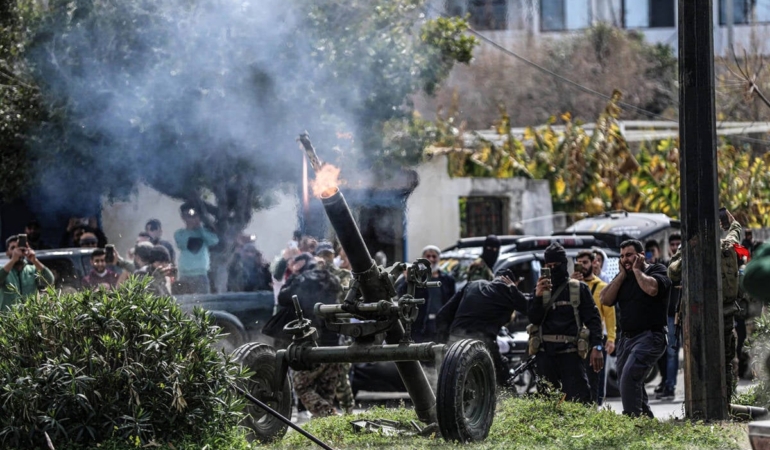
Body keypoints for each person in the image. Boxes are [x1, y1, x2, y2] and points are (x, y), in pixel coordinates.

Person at [668, 209, 742, 398]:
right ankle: (726, 398)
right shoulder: (728, 245)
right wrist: (732, 223)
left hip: (700, 316)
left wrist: (686, 250)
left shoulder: (691, 250)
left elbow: (673, 273)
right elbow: (736, 231)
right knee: (725, 358)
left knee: (702, 360)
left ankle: (710, 400)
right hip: (725, 312)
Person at [601, 239, 671, 417]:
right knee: (631, 381)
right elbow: (605, 300)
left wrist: (637, 270)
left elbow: (652, 289)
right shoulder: (623, 277)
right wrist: (623, 276)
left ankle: (632, 421)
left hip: (651, 336)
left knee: (629, 378)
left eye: (629, 255)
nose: (625, 259)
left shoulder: (657, 270)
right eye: (622, 256)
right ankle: (645, 420)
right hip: (627, 339)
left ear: (640, 255)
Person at [528, 243, 604, 404]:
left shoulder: (578, 289)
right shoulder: (540, 289)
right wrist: (537, 297)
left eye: (556, 265)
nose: (553, 269)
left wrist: (597, 347)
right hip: (545, 355)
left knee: (579, 403)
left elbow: (594, 320)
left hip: (571, 355)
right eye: (549, 266)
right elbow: (533, 318)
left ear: (564, 264)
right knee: (547, 407)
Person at [436, 268, 528, 387]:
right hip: (483, 343)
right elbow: (529, 309)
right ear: (513, 282)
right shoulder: (509, 292)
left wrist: (444, 341)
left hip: (455, 341)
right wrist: (514, 290)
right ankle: (508, 401)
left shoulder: (472, 285)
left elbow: (442, 315)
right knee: (503, 379)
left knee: (452, 382)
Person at [278, 253, 343, 417]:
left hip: (310, 342)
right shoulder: (333, 281)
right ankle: (326, 426)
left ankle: (328, 415)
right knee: (326, 390)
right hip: (334, 342)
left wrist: (293, 276)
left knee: (301, 386)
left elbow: (283, 297)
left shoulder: (303, 280)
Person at [314, 241, 354, 414]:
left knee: (340, 375)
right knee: (318, 375)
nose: (325, 258)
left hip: (339, 330)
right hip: (319, 331)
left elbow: (343, 292)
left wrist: (326, 273)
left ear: (333, 255)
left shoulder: (343, 274)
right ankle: (324, 412)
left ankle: (348, 410)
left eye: (328, 255)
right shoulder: (312, 275)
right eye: (321, 255)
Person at [572, 250, 614, 405]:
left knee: (595, 378)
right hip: (575, 339)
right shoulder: (572, 286)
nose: (582, 266)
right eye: (579, 262)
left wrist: (611, 338)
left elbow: (609, 314)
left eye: (585, 262)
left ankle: (596, 406)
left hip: (595, 338)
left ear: (593, 263)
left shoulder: (602, 286)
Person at [395, 245, 456, 343]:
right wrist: (407, 280)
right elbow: (402, 294)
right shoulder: (416, 278)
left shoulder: (448, 280)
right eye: (428, 256)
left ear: (438, 258)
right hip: (421, 325)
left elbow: (453, 303)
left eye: (434, 256)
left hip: (440, 325)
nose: (431, 259)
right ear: (423, 259)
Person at [174, 202, 219, 294]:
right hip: (185, 274)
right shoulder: (179, 233)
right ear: (183, 217)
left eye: (194, 215)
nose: (191, 218)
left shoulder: (205, 232)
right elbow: (181, 244)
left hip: (201, 274)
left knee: (203, 304)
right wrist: (189, 228)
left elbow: (214, 241)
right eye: (188, 215)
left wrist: (200, 228)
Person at [658, 233, 682, 400]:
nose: (674, 247)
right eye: (672, 244)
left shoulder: (686, 265)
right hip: (671, 315)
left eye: (677, 244)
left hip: (686, 313)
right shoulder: (666, 266)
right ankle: (670, 386)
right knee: (671, 352)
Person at [1, 235, 55, 310]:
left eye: (19, 247)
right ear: (7, 253)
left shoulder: (32, 270)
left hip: (30, 319)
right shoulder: (4, 270)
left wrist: (34, 260)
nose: (17, 251)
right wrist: (13, 260)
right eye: (13, 248)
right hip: (10, 320)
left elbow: (49, 280)